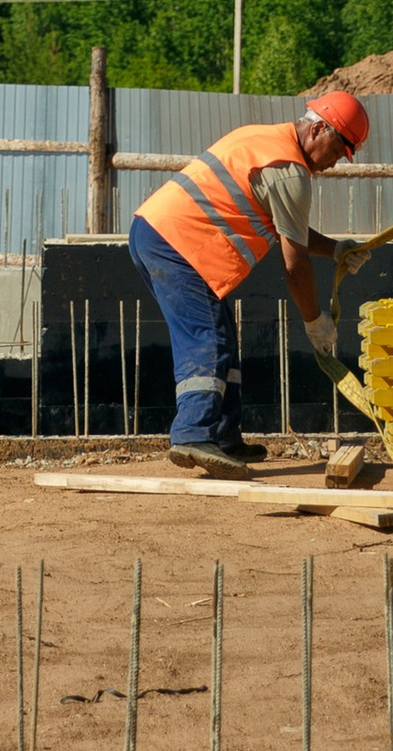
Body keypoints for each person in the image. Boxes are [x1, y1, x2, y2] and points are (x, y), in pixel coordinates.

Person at [128, 86, 370, 471]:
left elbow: (293, 233)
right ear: (320, 131)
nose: (335, 164)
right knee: (208, 338)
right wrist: (315, 322)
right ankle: (192, 434)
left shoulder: (266, 141)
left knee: (221, 333)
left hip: (160, 234)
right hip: (176, 244)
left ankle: (222, 436)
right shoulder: (288, 171)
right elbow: (295, 264)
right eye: (339, 151)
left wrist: (337, 249)